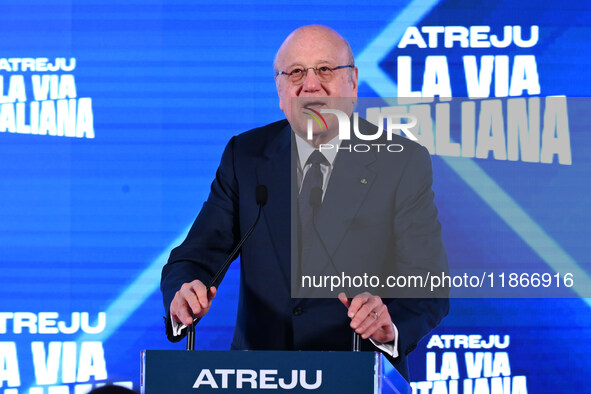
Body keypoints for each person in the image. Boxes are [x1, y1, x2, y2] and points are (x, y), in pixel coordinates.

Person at [160, 25, 448, 381]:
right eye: (295, 72)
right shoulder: (246, 156)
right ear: (280, 92)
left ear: (353, 83)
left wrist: (390, 326)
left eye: (325, 69)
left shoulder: (400, 162)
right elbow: (195, 257)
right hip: (258, 380)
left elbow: (427, 285)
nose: (310, 85)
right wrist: (183, 293)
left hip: (356, 376)